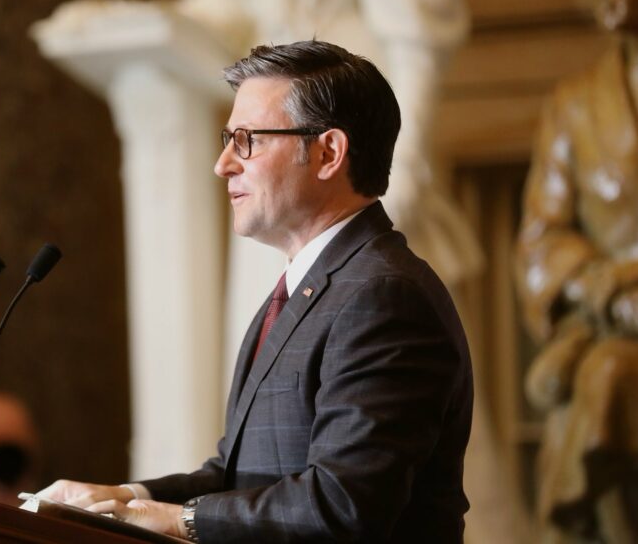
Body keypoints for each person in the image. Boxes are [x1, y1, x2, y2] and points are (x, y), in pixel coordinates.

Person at [37, 40, 473, 542]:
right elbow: (237, 476)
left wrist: (168, 520)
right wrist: (122, 498)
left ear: (328, 153)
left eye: (248, 140)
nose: (223, 163)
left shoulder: (384, 297)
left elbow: (343, 505)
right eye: (228, 138)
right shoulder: (308, 287)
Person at [515, 0, 638, 541]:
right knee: (604, 377)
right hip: (608, 325)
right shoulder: (576, 103)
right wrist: (606, 288)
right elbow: (543, 237)